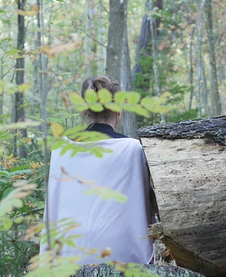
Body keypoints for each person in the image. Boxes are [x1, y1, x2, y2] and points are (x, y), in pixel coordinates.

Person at [42, 76, 155, 265]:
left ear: (85, 111)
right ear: (118, 110)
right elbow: (144, 206)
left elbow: (52, 211)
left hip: (69, 253)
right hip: (123, 254)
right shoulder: (132, 149)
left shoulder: (61, 150)